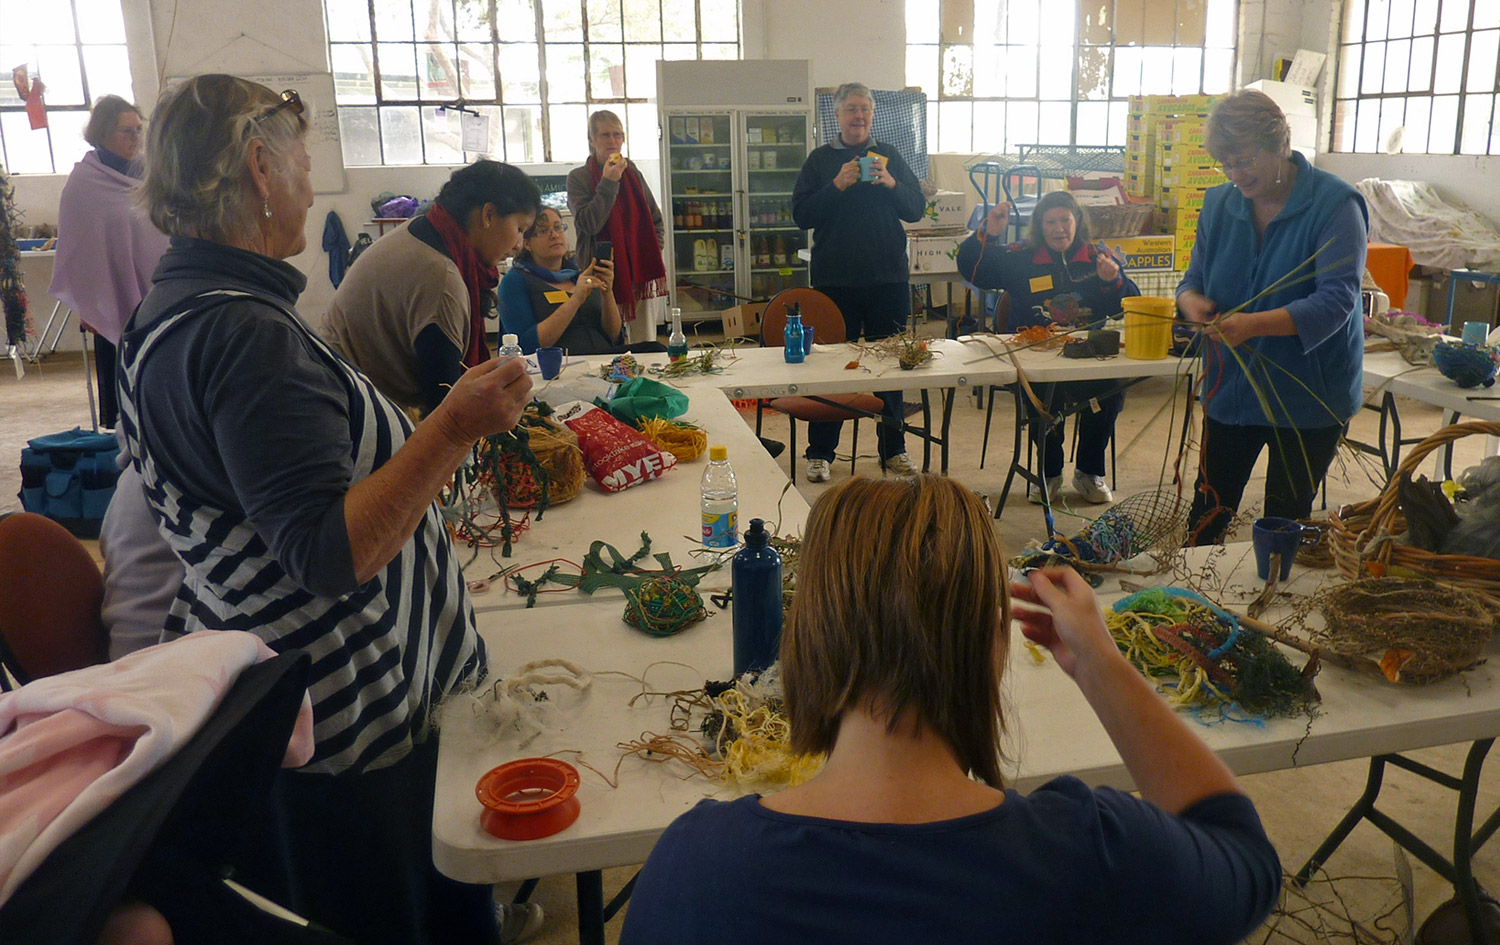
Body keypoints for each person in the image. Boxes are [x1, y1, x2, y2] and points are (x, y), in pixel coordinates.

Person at [118, 74, 541, 945]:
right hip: (355, 737)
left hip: (331, 715)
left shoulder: (192, 309)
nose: (314, 180)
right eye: (306, 159)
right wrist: (454, 426)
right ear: (261, 167)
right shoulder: (242, 336)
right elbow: (325, 552)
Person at [620, 475, 1281, 944]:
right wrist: (1101, 664)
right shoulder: (1095, 857)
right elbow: (1244, 855)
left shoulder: (693, 869)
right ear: (996, 642)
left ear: (805, 639)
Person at [1176, 90, 1368, 545]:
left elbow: (1337, 302)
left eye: (1244, 161)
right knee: (1207, 514)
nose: (1236, 175)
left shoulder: (1336, 204)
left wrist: (1254, 325)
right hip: (1233, 387)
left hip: (1308, 393)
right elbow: (1191, 282)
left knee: (1283, 520)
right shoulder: (1220, 203)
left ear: (1279, 143)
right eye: (1227, 164)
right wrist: (1192, 304)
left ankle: (1269, 603)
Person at [956, 189, 1140, 504]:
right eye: (1050, 221)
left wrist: (1113, 281)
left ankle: (1089, 472)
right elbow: (975, 270)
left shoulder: (1096, 256)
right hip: (1035, 361)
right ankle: (1048, 473)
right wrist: (987, 232)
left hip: (1087, 359)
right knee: (1044, 406)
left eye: (1065, 220)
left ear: (1077, 222)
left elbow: (1127, 304)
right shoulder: (1020, 256)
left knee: (1110, 394)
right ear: (1039, 226)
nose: (1059, 228)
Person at [322, 160, 540, 415]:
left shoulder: (426, 230)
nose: (519, 243)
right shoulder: (441, 276)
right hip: (354, 408)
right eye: (519, 229)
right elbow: (446, 410)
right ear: (488, 215)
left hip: (345, 386)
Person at [791, 82, 925, 481]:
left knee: (892, 366)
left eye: (865, 108)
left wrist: (891, 183)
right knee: (832, 367)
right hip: (836, 282)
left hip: (888, 279)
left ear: (872, 114)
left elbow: (916, 208)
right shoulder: (819, 161)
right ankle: (821, 453)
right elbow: (802, 215)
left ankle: (894, 449)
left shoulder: (890, 158)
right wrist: (836, 186)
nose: (859, 116)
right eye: (851, 108)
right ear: (837, 115)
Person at [49, 94, 170, 429]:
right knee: (126, 400)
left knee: (162, 387)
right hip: (113, 298)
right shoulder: (84, 184)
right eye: (125, 131)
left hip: (158, 295)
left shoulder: (152, 175)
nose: (135, 138)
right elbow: (77, 248)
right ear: (101, 133)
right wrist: (88, 305)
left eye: (138, 129)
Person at [566, 109, 666, 346]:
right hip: (597, 273)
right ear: (592, 141)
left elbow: (655, 220)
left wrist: (651, 249)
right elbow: (588, 223)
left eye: (617, 135)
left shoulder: (632, 173)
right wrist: (609, 182)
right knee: (607, 342)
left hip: (638, 271)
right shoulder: (578, 178)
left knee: (644, 342)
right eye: (605, 135)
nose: (612, 141)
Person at [498, 207, 621, 354]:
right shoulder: (515, 281)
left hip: (605, 363)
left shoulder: (579, 275)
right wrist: (575, 300)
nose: (555, 235)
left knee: (653, 348)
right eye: (544, 231)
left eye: (558, 227)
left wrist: (608, 293)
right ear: (527, 243)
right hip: (556, 370)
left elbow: (613, 335)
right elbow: (527, 345)